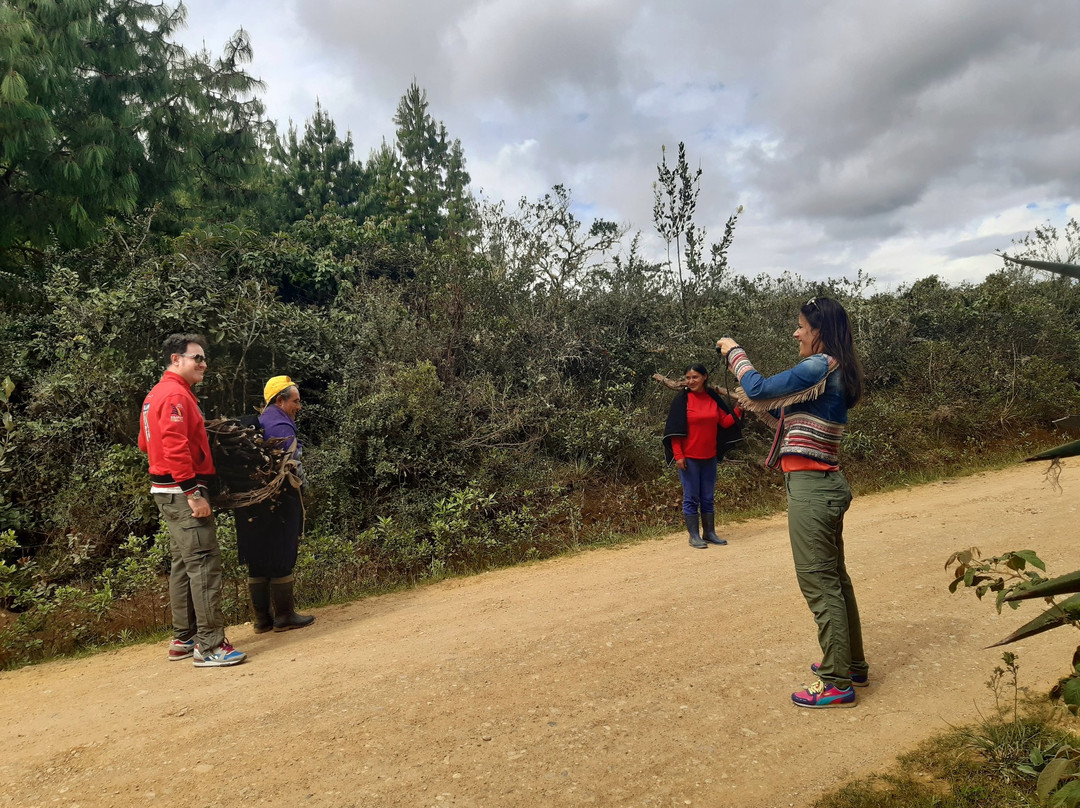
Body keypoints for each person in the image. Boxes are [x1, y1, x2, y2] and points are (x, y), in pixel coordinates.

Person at [717, 296, 867, 708]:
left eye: (801, 325)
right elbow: (776, 407)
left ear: (820, 330)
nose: (796, 332)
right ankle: (851, 664)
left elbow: (759, 388)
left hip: (813, 488)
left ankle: (837, 682)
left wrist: (734, 352)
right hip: (826, 483)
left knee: (819, 584)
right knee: (836, 579)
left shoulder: (819, 366)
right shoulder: (836, 370)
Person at [139, 334, 246, 667]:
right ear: (176, 360)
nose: (203, 363)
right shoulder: (175, 395)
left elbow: (145, 443)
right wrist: (193, 492)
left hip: (165, 492)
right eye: (196, 358)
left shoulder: (155, 394)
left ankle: (183, 639)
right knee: (203, 564)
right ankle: (211, 646)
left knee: (183, 565)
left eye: (204, 358)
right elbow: (173, 445)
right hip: (182, 493)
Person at [235, 376, 315, 633]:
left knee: (258, 558)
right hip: (277, 501)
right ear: (280, 400)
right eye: (295, 401)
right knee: (282, 553)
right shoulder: (280, 424)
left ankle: (262, 619)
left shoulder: (262, 421)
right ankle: (284, 615)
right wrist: (303, 487)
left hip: (252, 504)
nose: (299, 406)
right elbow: (291, 466)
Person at [662, 364, 743, 549]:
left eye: (695, 377)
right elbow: (674, 432)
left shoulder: (712, 398)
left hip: (709, 457)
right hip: (689, 457)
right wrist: (679, 456)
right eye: (688, 378)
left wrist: (739, 409)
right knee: (691, 497)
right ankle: (693, 536)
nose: (691, 381)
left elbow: (724, 422)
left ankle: (709, 533)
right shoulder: (682, 400)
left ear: (704, 377)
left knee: (707, 497)